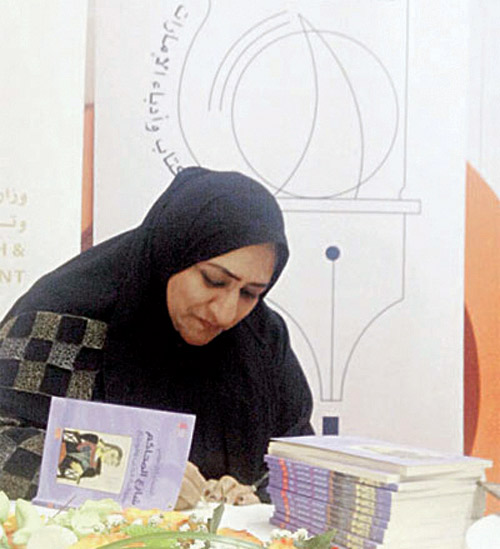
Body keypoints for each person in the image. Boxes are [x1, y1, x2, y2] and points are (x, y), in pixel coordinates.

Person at [0, 166, 313, 507]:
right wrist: (126, 475)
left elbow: (297, 463)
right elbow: (5, 445)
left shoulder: (260, 340)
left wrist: (252, 495)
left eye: (250, 293)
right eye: (213, 280)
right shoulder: (69, 318)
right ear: (173, 252)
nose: (225, 313)